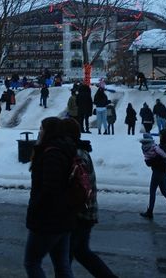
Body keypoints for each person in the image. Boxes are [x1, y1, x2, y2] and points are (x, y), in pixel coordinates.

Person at [61, 119, 117, 278]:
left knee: (67, 257)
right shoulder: (80, 152)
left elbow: (76, 187)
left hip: (80, 214)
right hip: (87, 212)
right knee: (81, 252)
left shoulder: (76, 155)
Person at [23, 116, 77, 278]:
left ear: (49, 132)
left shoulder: (51, 154)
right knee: (62, 265)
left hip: (48, 220)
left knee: (31, 263)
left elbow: (50, 189)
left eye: (41, 128)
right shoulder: (65, 149)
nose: (39, 131)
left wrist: (37, 212)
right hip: (64, 218)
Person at [139, 130, 166, 220]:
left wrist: (148, 162)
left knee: (152, 191)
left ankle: (150, 212)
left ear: (164, 137)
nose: (160, 137)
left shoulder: (164, 147)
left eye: (161, 135)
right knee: (164, 192)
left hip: (158, 171)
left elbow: (158, 159)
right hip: (163, 171)